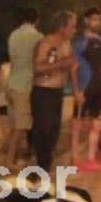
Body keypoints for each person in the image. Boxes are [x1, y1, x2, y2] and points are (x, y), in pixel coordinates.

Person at [31, 11, 79, 173]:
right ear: (62, 27)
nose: (74, 30)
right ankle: (40, 167)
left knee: (54, 131)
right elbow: (37, 68)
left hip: (57, 93)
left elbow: (72, 68)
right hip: (42, 92)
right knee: (43, 130)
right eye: (72, 27)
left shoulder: (67, 44)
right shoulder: (45, 43)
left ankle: (45, 165)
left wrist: (76, 91)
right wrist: (62, 63)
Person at [70, 7, 101, 172]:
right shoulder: (79, 41)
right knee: (77, 124)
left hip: (98, 89)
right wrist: (76, 90)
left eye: (99, 19)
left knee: (98, 125)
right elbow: (73, 67)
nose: (97, 22)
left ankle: (90, 159)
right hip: (84, 88)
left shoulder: (100, 41)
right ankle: (75, 159)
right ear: (86, 20)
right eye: (94, 19)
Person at [6, 8, 43, 167]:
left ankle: (18, 158)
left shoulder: (13, 35)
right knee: (21, 127)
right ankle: (9, 162)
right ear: (37, 20)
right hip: (25, 86)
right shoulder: (38, 37)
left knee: (17, 124)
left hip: (11, 83)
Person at [0, 50, 12, 146]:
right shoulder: (17, 67)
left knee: (5, 124)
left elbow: (0, 84)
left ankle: (8, 143)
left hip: (4, 99)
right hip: (15, 98)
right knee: (14, 124)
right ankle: (15, 144)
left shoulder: (3, 67)